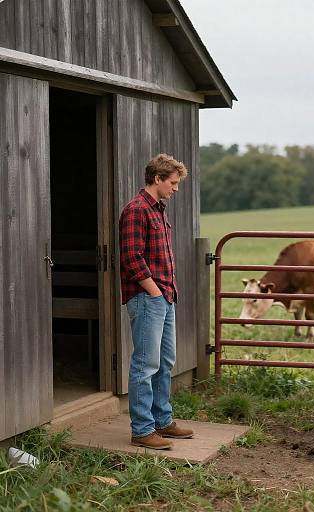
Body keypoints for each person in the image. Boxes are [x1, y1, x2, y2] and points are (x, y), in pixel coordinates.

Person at [119, 153, 193, 450]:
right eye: (173, 183)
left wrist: (164, 294)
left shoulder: (158, 209)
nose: (176, 188)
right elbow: (131, 258)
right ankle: (142, 430)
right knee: (145, 364)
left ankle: (162, 421)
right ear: (158, 178)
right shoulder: (136, 210)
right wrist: (153, 291)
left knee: (165, 361)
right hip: (148, 297)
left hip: (164, 296)